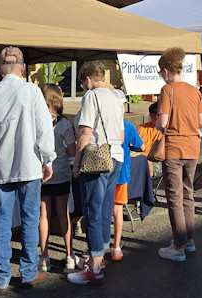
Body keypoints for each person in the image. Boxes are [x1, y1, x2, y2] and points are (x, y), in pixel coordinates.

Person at [0, 47, 56, 294]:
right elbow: (44, 128)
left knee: (3, 220)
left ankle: (1, 277)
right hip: (29, 164)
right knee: (29, 219)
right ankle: (28, 273)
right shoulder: (32, 91)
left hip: (2, 165)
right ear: (22, 67)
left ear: (0, 68)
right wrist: (48, 159)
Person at [67, 61, 124, 285]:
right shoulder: (116, 97)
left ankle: (95, 266)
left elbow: (85, 133)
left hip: (97, 157)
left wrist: (77, 163)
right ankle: (100, 258)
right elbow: (120, 132)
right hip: (116, 156)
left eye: (82, 83)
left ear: (87, 79)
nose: (83, 87)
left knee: (92, 211)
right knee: (104, 209)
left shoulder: (91, 96)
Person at [153, 48, 202, 262]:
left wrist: (158, 123)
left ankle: (178, 246)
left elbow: (163, 123)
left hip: (174, 148)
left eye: (160, 72)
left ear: (166, 70)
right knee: (188, 194)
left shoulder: (167, 90)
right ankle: (188, 240)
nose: (161, 75)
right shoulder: (195, 91)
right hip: (193, 147)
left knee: (174, 197)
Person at [39, 85, 77, 272]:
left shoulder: (37, 122)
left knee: (43, 215)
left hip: (41, 174)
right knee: (63, 213)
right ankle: (69, 255)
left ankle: (44, 257)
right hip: (61, 173)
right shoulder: (64, 125)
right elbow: (72, 151)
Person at [110, 111, 144, 262]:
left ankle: (98, 247)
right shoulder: (128, 126)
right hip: (121, 171)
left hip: (103, 170)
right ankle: (116, 247)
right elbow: (142, 146)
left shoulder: (104, 124)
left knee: (102, 209)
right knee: (117, 209)